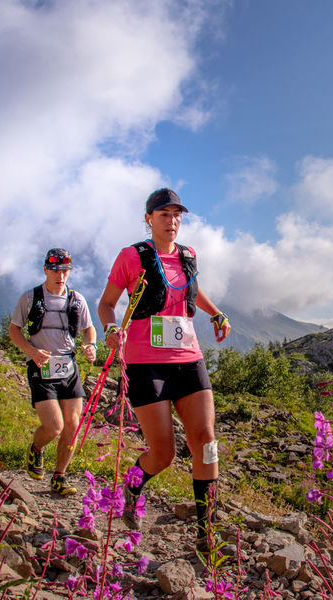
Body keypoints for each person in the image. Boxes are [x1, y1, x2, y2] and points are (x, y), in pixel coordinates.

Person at [98, 188, 231, 551]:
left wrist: (216, 313)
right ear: (149, 219)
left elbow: (192, 289)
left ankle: (207, 530)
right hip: (145, 362)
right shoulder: (132, 256)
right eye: (163, 215)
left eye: (177, 215)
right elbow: (107, 304)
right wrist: (111, 330)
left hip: (189, 358)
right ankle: (134, 485)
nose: (171, 222)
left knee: (206, 441)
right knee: (164, 453)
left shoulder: (189, 255)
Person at [9, 248, 97, 496]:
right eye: (56, 270)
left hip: (68, 367)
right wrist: (31, 351)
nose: (61, 276)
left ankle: (59, 476)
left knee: (72, 424)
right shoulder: (30, 298)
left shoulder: (78, 299)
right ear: (46, 269)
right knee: (54, 426)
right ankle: (37, 448)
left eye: (65, 271)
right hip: (40, 366)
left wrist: (91, 345)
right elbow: (14, 330)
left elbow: (89, 329)